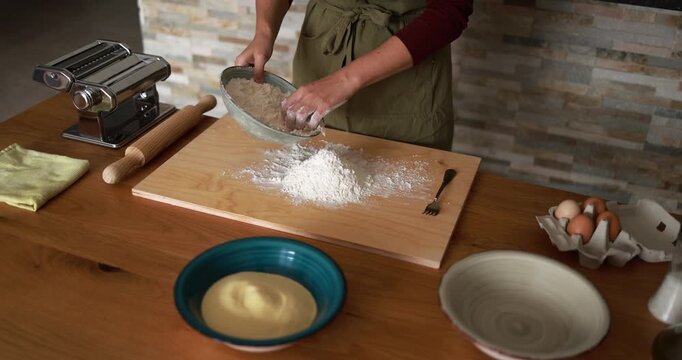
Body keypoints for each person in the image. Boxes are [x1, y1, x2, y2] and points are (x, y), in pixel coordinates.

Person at [235, 0, 473, 150]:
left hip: (407, 69)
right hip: (322, 52)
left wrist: (345, 80)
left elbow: (450, 11)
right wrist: (264, 31)